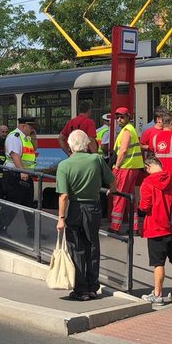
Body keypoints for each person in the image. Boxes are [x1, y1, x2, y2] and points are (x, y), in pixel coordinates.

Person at [56, 129, 114, 301]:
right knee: (93, 246)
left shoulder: (64, 165)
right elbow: (112, 180)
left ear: (70, 145)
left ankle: (80, 290)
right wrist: (113, 189)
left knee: (77, 248)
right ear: (87, 144)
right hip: (93, 207)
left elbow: (64, 196)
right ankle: (92, 287)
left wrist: (61, 218)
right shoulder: (96, 159)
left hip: (74, 209)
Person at [138, 155, 172, 305]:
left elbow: (144, 206)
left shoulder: (147, 182)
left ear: (148, 167)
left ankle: (157, 294)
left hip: (156, 227)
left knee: (158, 264)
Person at [0, 116, 38, 238]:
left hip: (24, 175)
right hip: (15, 175)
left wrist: (33, 136)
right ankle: (1, 228)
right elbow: (15, 155)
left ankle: (32, 231)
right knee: (12, 204)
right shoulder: (14, 137)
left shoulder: (26, 138)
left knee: (29, 205)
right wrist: (22, 172)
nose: (32, 129)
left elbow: (35, 148)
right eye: (31, 127)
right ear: (23, 126)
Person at [110, 107, 143, 234]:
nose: (119, 119)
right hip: (133, 167)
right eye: (117, 117)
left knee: (119, 196)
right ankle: (134, 227)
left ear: (128, 117)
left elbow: (123, 150)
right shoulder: (130, 129)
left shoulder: (126, 131)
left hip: (125, 167)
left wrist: (116, 166)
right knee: (130, 197)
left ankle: (115, 227)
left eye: (122, 117)